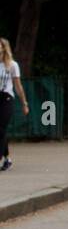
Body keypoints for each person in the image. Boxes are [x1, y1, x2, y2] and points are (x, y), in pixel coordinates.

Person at [0, 37, 30, 172]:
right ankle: (7, 158)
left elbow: (17, 85)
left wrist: (24, 102)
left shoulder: (12, 65)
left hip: (6, 98)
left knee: (1, 128)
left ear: (3, 48)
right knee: (1, 131)